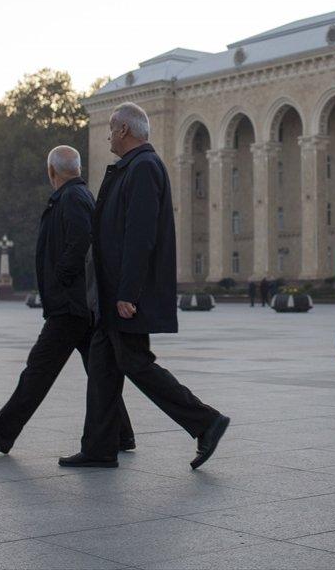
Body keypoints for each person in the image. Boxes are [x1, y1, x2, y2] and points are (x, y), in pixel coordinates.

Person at [60, 103, 229, 470]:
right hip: (110, 295)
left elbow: (140, 236)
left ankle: (206, 422)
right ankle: (98, 448)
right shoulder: (131, 168)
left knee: (136, 364)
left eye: (110, 129)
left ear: (123, 130)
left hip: (124, 296)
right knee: (103, 368)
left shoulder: (143, 168)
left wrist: (127, 293)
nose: (107, 135)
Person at [0, 146, 135, 454]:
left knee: (38, 369)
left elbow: (82, 239)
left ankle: (2, 432)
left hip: (69, 306)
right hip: (78, 304)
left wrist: (61, 276)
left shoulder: (71, 197)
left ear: (51, 172)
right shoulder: (76, 195)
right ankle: (122, 433)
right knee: (99, 371)